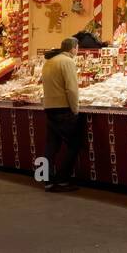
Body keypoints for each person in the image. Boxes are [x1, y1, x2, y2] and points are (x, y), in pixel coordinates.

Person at [40, 36, 83, 193]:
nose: (77, 51)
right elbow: (71, 88)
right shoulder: (67, 62)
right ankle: (62, 179)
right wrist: (75, 109)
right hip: (63, 109)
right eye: (77, 48)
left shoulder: (49, 61)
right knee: (74, 144)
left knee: (51, 146)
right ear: (73, 48)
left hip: (50, 108)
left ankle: (46, 179)